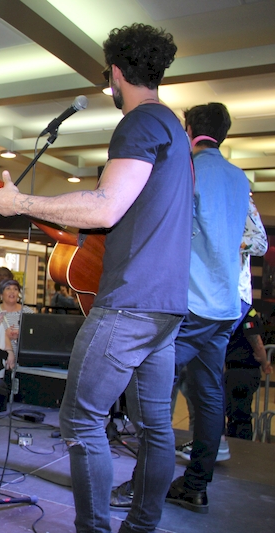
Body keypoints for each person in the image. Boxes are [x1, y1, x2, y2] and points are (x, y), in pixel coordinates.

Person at [0, 24, 191, 533]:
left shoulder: (140, 122)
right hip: (166, 306)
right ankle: (141, 526)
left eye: (109, 77)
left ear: (117, 74)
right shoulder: (175, 129)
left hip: (128, 304)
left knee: (80, 421)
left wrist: (19, 203)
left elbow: (105, 207)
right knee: (155, 430)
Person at [162, 103, 250, 514]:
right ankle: (196, 486)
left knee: (153, 385)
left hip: (192, 304)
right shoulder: (239, 177)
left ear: (189, 128)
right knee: (209, 393)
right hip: (225, 306)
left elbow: (171, 228)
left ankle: (146, 483)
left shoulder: (190, 168)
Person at [224, 307, 272, 440]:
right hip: (239, 371)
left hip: (241, 371)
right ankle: (236, 446)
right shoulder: (245, 313)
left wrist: (264, 363)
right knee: (236, 415)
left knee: (239, 416)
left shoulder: (243, 314)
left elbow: (257, 343)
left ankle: (241, 448)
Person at [0, 279, 35, 370]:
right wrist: (5, 335)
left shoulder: (27, 312)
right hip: (0, 359)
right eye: (8, 288)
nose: (12, 292)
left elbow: (35, 334)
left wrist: (21, 334)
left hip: (23, 360)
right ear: (1, 294)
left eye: (15, 289)